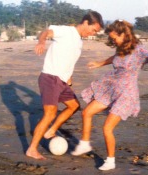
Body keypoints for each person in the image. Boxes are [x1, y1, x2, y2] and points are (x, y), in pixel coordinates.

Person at [71, 20, 148, 171]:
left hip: (126, 94)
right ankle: (85, 144)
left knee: (107, 128)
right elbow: (114, 58)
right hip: (111, 88)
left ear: (124, 34)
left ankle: (110, 161)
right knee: (87, 112)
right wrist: (99, 63)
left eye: (114, 38)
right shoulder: (121, 48)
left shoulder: (139, 50)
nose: (113, 40)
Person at [26, 11, 104, 160]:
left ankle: (50, 131)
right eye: (94, 30)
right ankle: (32, 149)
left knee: (74, 106)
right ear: (86, 22)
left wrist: (69, 79)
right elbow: (45, 32)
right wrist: (41, 41)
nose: (93, 33)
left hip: (62, 81)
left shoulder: (79, 42)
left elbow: (68, 61)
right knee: (50, 113)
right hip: (50, 77)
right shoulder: (66, 31)